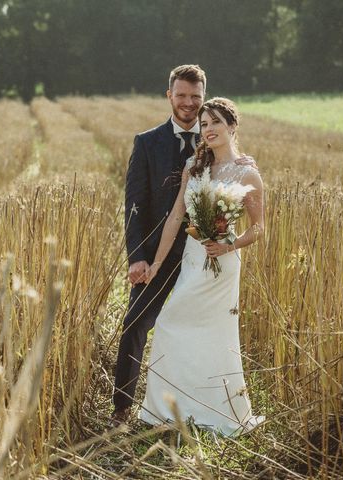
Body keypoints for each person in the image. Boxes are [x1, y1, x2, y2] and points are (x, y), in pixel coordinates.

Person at [112, 65, 253, 424]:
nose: (189, 103)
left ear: (204, 99)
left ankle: (200, 405)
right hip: (159, 253)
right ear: (169, 96)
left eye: (195, 97)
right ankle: (122, 407)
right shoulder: (147, 142)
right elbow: (135, 204)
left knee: (200, 330)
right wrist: (138, 258)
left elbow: (240, 186)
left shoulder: (218, 143)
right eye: (182, 95)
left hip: (205, 260)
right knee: (135, 324)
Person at [138, 97, 264, 436]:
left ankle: (219, 411)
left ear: (232, 127)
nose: (207, 130)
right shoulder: (195, 167)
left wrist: (229, 245)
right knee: (168, 322)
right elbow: (177, 217)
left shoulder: (248, 172)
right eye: (204, 124)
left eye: (215, 123)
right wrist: (157, 263)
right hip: (193, 259)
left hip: (223, 261)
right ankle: (170, 409)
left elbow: (258, 228)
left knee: (216, 334)